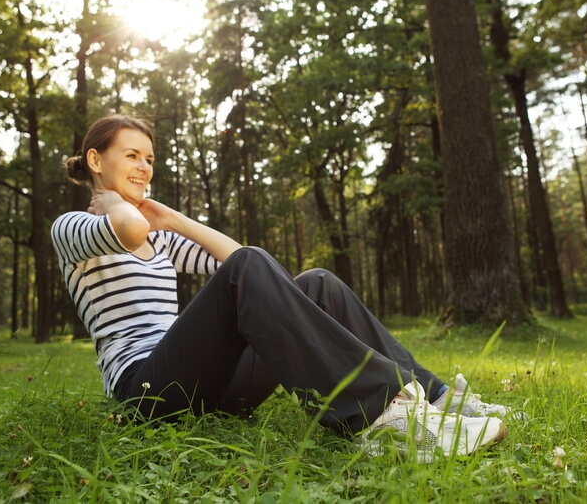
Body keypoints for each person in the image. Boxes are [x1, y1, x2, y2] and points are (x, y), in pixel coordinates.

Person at [51, 114, 519, 462]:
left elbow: (238, 259)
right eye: (130, 156)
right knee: (251, 266)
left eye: (149, 158)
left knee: (317, 283)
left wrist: (173, 219)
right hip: (145, 392)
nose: (143, 168)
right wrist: (110, 196)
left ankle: (437, 398)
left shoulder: (161, 236)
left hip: (211, 389)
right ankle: (382, 420)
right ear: (95, 159)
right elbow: (129, 229)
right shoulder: (70, 228)